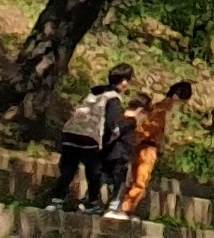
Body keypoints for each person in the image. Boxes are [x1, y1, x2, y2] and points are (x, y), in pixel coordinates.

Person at [50, 66, 129, 213]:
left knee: (68, 170)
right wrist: (108, 141)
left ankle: (56, 201)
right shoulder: (114, 98)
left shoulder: (95, 92)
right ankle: (92, 203)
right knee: (94, 172)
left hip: (70, 132)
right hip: (89, 136)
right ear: (123, 82)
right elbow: (110, 123)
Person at [119, 82, 190, 213]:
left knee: (133, 179)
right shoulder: (164, 110)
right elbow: (152, 129)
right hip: (148, 147)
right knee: (140, 181)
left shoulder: (159, 107)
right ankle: (125, 208)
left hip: (141, 144)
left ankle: (123, 206)